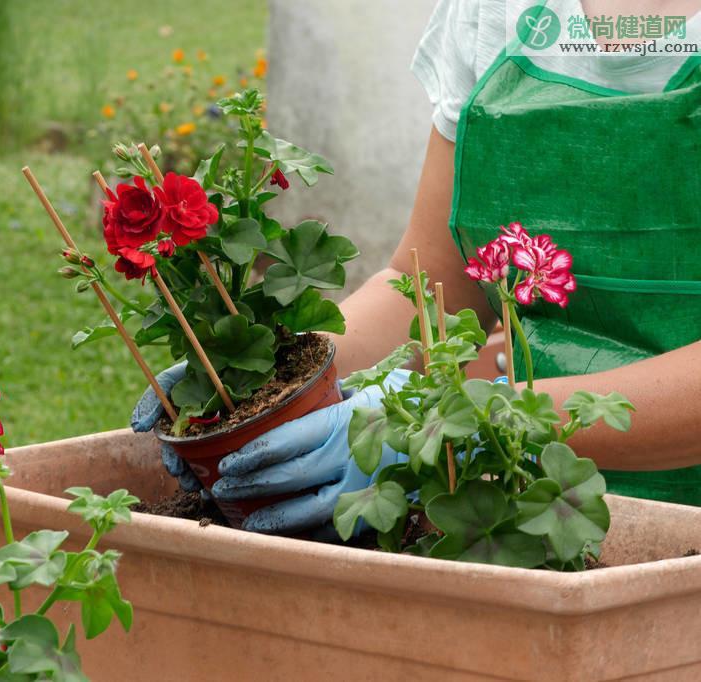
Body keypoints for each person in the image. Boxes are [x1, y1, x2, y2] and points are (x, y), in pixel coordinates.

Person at [132, 0, 701, 536]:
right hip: (519, 507)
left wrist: (473, 422)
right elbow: (435, 287)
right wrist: (278, 375)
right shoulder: (495, 13)